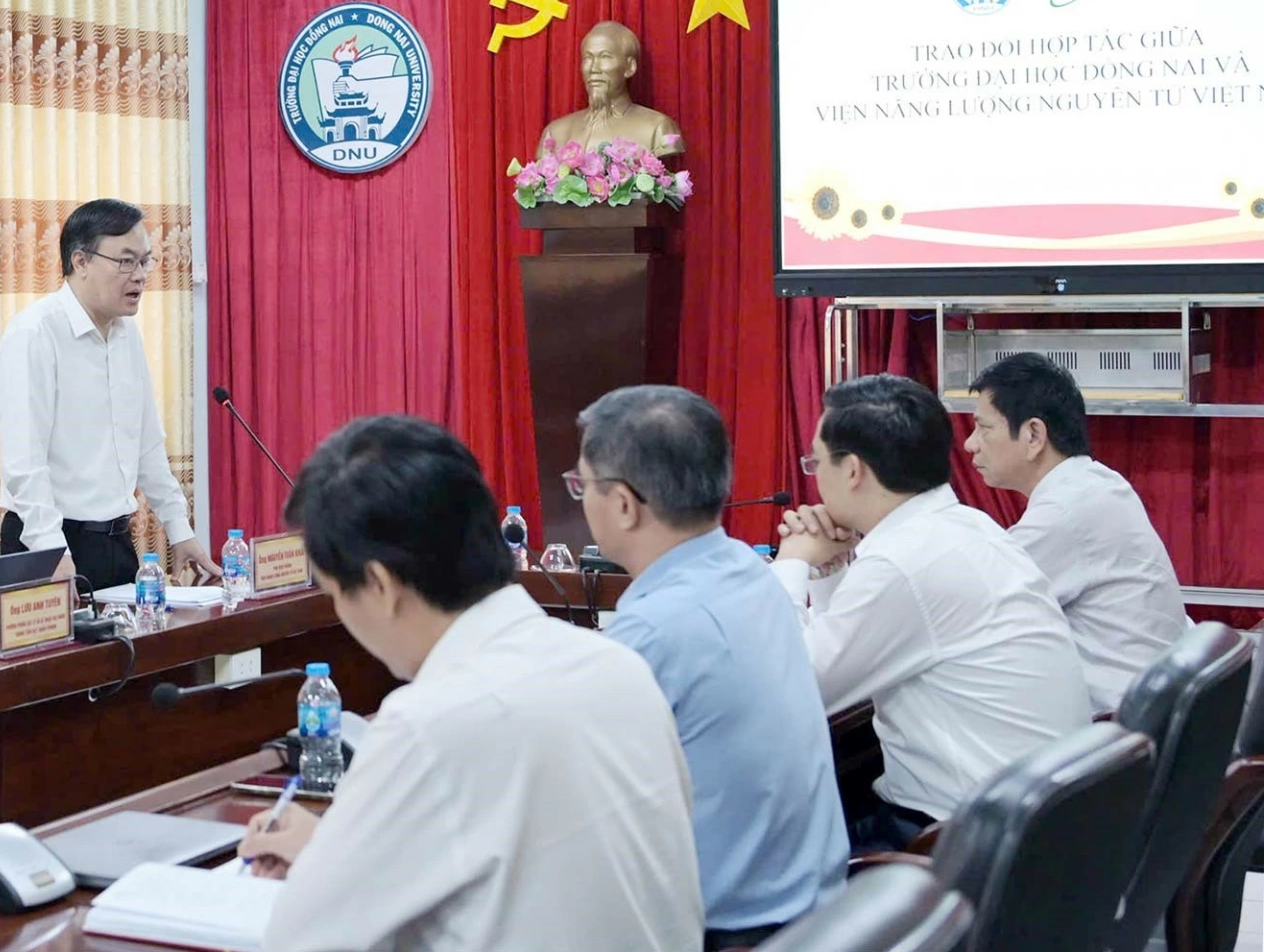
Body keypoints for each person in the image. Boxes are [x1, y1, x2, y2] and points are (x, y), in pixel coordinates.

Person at [237, 416, 703, 952]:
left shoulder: (428, 721)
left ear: (379, 585)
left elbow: (300, 941)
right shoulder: (616, 666)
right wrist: (334, 851)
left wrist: (327, 867)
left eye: (333, 592)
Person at [576, 386, 847, 949]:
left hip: (732, 932)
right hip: (818, 914)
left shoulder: (652, 632)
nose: (581, 500)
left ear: (624, 504)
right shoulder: (749, 573)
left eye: (582, 486)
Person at [777, 374, 1089, 851]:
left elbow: (792, 687)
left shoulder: (903, 562)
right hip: (1034, 826)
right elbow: (854, 649)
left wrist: (793, 561)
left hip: (962, 844)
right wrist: (830, 571)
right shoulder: (960, 525)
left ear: (854, 471)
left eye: (816, 462)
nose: (814, 476)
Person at [0, 199, 219, 592]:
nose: (139, 276)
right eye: (125, 262)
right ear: (80, 261)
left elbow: (147, 444)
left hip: (115, 542)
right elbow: (24, 464)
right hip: (47, 546)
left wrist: (179, 528)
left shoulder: (125, 334)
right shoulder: (35, 334)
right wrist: (52, 550)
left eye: (146, 261)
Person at [964, 352, 1189, 714]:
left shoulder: (1065, 512)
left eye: (983, 428)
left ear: (1034, 435)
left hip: (1118, 733)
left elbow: (967, 606)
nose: (969, 444)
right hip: (1151, 710)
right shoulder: (1096, 483)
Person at [536, 21, 684, 158]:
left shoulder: (657, 129)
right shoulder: (555, 133)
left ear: (630, 67)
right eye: (588, 58)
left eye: (605, 57)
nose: (593, 68)